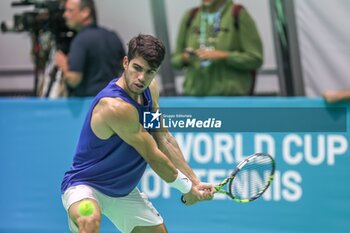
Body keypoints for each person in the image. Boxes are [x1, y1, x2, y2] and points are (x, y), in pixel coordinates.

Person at [61, 34, 215, 233]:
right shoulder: (115, 106)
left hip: (122, 191)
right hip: (86, 186)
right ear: (126, 63)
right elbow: (153, 155)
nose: (142, 78)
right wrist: (187, 189)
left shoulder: (150, 90)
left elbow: (163, 138)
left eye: (150, 71)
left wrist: (195, 182)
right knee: (90, 220)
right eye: (137, 68)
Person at [171, 0, 263, 96]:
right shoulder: (191, 16)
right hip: (194, 97)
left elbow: (255, 58)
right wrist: (185, 57)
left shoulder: (238, 14)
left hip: (230, 99)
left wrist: (224, 56)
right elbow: (175, 61)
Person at [55, 0, 125, 97]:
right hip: (114, 101)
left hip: (90, 105)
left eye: (70, 11)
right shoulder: (113, 36)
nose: (65, 15)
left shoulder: (80, 40)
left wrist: (63, 65)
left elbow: (74, 79)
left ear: (85, 12)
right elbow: (125, 70)